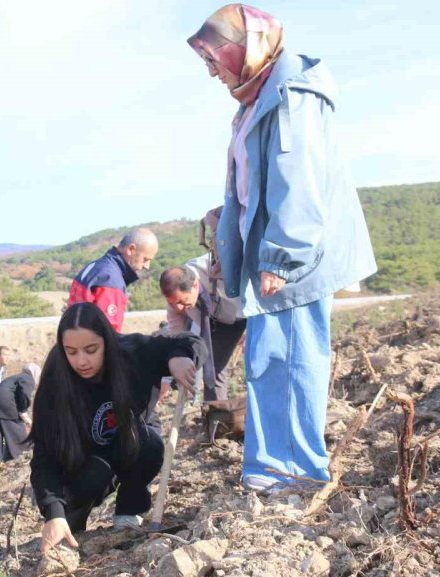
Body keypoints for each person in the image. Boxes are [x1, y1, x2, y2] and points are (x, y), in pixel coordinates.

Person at [187, 5, 376, 492]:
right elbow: (261, 181)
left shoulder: (293, 95)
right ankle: (273, 470)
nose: (212, 70)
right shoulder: (258, 98)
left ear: (244, 47)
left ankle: (293, 475)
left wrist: (280, 255)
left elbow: (300, 182)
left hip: (293, 260)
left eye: (216, 57)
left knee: (289, 360)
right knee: (269, 361)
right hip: (276, 254)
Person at [30, 303, 204, 552]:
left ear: (107, 342)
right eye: (72, 352)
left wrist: (179, 357)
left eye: (91, 350)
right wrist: (53, 513)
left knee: (150, 444)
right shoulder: (56, 379)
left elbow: (190, 341)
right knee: (89, 484)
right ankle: (72, 516)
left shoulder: (132, 353)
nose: (82, 361)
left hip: (126, 447)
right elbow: (44, 456)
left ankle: (129, 511)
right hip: (82, 464)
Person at [160, 207, 246, 408]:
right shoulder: (175, 300)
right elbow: (178, 335)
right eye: (173, 303)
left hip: (240, 313)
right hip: (214, 320)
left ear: (196, 285)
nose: (179, 307)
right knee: (211, 365)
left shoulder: (216, 268)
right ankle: (214, 418)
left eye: (182, 301)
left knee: (228, 365)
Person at [67, 228, 159, 332]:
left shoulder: (96, 266)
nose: (147, 266)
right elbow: (109, 332)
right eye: (145, 259)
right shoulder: (111, 279)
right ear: (131, 249)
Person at [0, 363, 41, 471]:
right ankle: (21, 456)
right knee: (17, 429)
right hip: (4, 405)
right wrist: (23, 411)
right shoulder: (27, 378)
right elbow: (24, 393)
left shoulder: (16, 377)